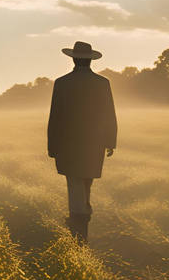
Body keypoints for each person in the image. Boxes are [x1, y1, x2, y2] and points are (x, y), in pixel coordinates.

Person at [47, 41, 117, 243]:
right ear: (90, 60)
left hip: (68, 144)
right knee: (86, 182)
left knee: (75, 183)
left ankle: (78, 227)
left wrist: (52, 145)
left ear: (73, 59)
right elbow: (109, 113)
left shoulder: (62, 82)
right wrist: (110, 141)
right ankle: (81, 218)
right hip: (94, 143)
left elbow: (56, 116)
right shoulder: (102, 83)